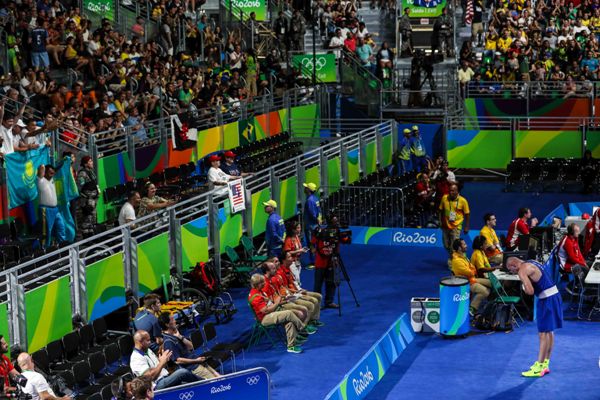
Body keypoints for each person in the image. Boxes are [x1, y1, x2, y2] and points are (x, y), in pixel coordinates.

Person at [506, 257, 563, 377]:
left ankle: (539, 367)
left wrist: (523, 286)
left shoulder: (522, 271)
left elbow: (530, 291)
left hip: (546, 300)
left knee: (542, 334)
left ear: (513, 266)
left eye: (510, 270)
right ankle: (545, 364)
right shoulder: (533, 261)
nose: (511, 272)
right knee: (549, 332)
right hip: (554, 296)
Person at [248, 273, 308, 354]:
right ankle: (302, 329)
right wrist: (276, 302)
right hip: (265, 318)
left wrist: (278, 300)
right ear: (257, 284)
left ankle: (291, 346)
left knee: (289, 321)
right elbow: (266, 310)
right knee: (288, 313)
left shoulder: (259, 291)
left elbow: (269, 303)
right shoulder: (256, 297)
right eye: (262, 282)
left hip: (270, 313)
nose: (264, 283)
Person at [158, 312, 220, 380]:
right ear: (167, 324)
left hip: (198, 362)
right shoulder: (168, 342)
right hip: (193, 368)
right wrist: (196, 361)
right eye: (172, 319)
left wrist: (180, 337)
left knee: (219, 377)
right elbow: (178, 361)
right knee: (215, 381)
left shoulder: (175, 334)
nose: (175, 321)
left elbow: (191, 346)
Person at [130, 330, 199, 389]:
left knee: (186, 383)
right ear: (140, 342)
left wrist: (163, 360)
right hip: (156, 386)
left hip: (165, 377)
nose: (150, 342)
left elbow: (157, 368)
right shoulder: (136, 358)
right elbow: (150, 377)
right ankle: (204, 383)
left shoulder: (148, 350)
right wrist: (162, 362)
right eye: (148, 340)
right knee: (182, 372)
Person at [311, 214, 346, 309]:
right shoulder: (321, 231)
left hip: (331, 261)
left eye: (337, 221)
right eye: (334, 221)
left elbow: (337, 245)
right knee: (318, 284)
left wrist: (336, 258)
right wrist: (313, 249)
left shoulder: (336, 232)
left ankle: (329, 302)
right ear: (330, 222)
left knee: (331, 282)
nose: (336, 223)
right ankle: (317, 304)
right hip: (320, 262)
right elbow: (313, 242)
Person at [451, 239, 491, 316]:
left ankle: (492, 303)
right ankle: (472, 309)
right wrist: (472, 270)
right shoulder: (457, 261)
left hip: (472, 279)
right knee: (485, 292)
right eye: (464, 244)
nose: (466, 246)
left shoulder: (463, 256)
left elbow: (472, 268)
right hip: (466, 282)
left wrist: (472, 270)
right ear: (459, 248)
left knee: (492, 283)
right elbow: (470, 272)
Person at [439, 184, 470, 267]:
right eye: (449, 190)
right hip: (445, 226)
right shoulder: (444, 198)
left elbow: (467, 214)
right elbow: (441, 210)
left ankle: (453, 261)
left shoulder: (463, 201)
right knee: (446, 244)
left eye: (453, 191)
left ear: (457, 191)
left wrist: (466, 226)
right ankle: (461, 256)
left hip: (456, 226)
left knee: (454, 245)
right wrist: (441, 222)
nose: (450, 192)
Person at [37, 164, 67, 248]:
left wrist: (64, 161)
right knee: (46, 232)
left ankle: (62, 247)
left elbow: (57, 168)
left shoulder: (52, 179)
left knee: (61, 227)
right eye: (50, 172)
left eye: (53, 173)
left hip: (55, 209)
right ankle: (44, 249)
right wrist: (43, 166)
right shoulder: (41, 180)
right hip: (45, 210)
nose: (52, 174)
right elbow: (41, 168)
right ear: (45, 172)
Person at [76, 155, 99, 238]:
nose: (92, 162)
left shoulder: (91, 172)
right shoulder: (82, 173)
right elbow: (79, 188)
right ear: (85, 164)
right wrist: (85, 202)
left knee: (92, 220)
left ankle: (91, 237)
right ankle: (86, 238)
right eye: (90, 161)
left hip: (93, 200)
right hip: (87, 201)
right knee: (86, 220)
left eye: (91, 161)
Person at [303, 182, 321, 269]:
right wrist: (319, 219)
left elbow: (312, 213)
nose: (304, 188)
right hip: (315, 225)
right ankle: (317, 260)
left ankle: (313, 262)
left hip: (310, 225)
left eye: (306, 187)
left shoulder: (309, 200)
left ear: (309, 190)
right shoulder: (315, 198)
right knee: (316, 243)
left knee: (311, 243)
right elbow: (319, 211)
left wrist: (316, 219)